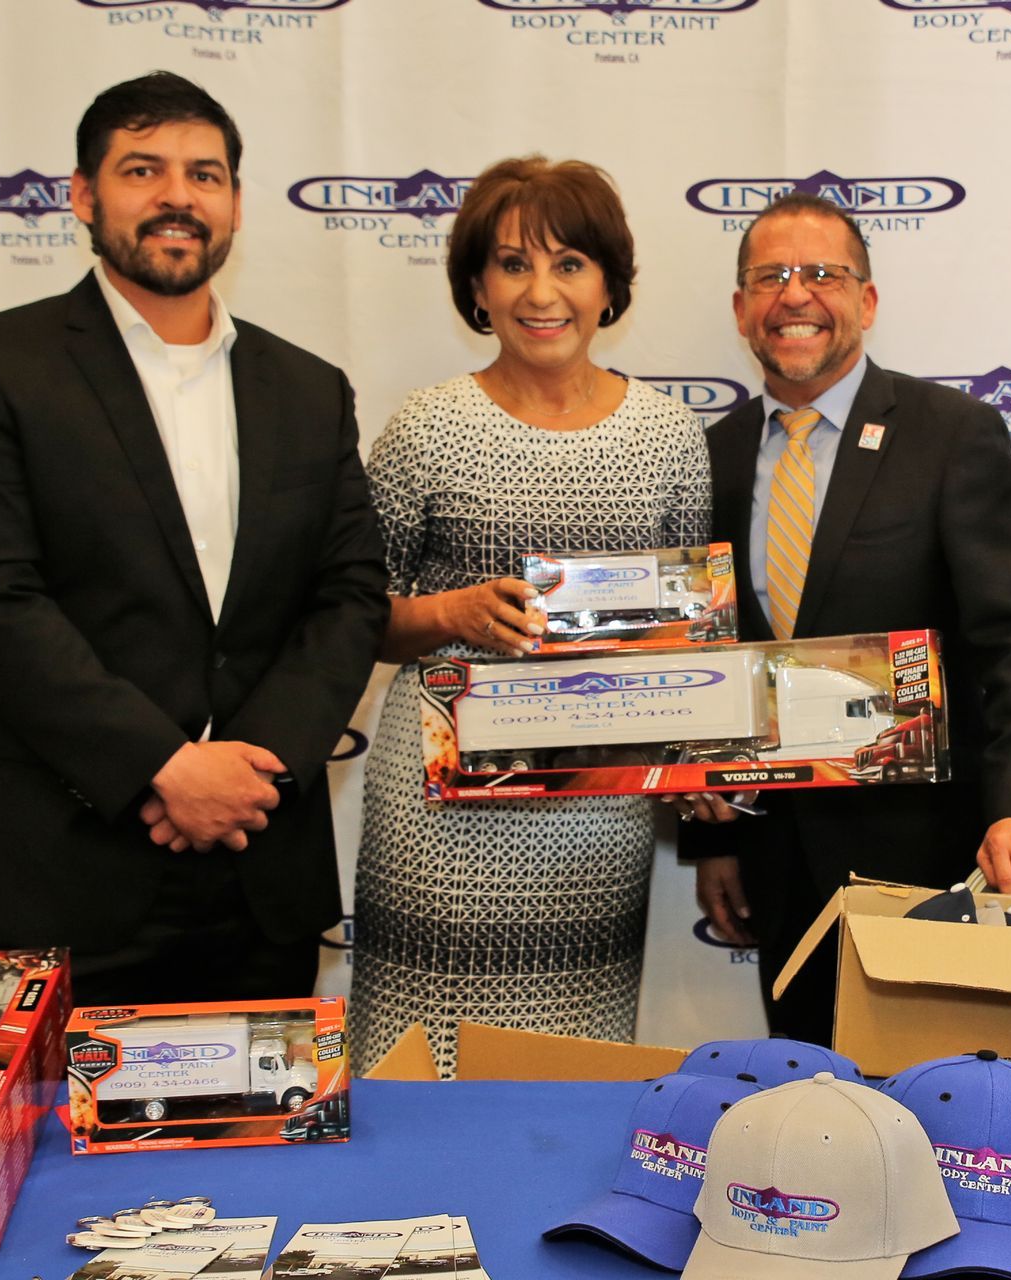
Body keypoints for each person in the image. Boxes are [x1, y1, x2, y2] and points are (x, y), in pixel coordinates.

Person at [0, 72, 389, 1003]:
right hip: (63, 875)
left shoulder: (307, 387)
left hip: (261, 877)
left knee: (260, 1151)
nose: (178, 195)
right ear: (84, 195)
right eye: (143, 169)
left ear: (237, 204)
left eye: (205, 174)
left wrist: (252, 773)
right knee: (52, 1152)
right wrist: (165, 769)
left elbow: (350, 593)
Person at [349, 156, 709, 1075]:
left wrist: (708, 755)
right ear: (477, 286)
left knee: (573, 1067)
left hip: (596, 813)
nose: (541, 293)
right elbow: (352, 618)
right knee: (418, 1066)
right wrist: (450, 610)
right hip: (442, 806)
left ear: (609, 285)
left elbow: (693, 637)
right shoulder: (425, 428)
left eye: (569, 265)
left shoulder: (668, 436)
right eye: (512, 265)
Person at [682, 193, 1011, 1045]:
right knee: (805, 1106)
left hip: (930, 857)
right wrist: (707, 834)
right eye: (770, 277)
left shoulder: (951, 435)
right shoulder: (709, 456)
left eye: (823, 273)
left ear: (868, 299)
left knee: (943, 1105)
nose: (795, 295)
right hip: (774, 862)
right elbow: (703, 660)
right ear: (741, 307)